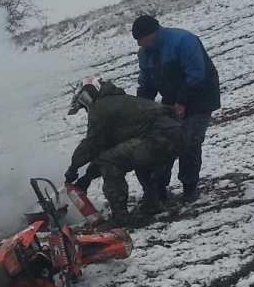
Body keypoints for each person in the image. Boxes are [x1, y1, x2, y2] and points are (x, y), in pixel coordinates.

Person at [65, 76, 184, 225]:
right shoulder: (119, 101)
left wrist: (73, 168)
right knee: (134, 157)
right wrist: (88, 177)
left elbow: (92, 144)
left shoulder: (101, 107)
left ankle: (121, 217)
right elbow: (107, 147)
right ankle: (154, 201)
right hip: (173, 136)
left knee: (109, 161)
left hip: (158, 139)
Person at [130, 14, 220, 203]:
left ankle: (189, 188)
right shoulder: (145, 53)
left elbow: (196, 74)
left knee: (189, 142)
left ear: (152, 34)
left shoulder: (184, 40)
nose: (140, 45)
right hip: (171, 99)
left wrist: (182, 102)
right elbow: (147, 84)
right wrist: (140, 107)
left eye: (141, 40)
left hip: (200, 96)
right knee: (163, 142)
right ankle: (159, 189)